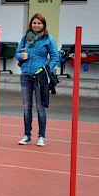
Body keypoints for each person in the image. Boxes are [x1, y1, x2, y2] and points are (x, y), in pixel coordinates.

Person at [15, 13, 59, 147]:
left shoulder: (48, 39)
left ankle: (41, 136)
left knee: (40, 107)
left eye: (39, 23)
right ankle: (27, 135)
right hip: (25, 76)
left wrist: (46, 70)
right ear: (31, 24)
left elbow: (55, 57)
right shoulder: (25, 38)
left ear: (43, 25)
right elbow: (17, 54)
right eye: (34, 23)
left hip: (40, 77)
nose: (36, 25)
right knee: (27, 107)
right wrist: (20, 56)